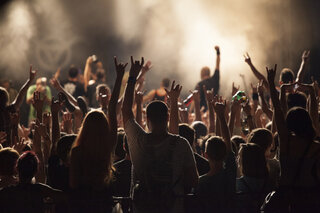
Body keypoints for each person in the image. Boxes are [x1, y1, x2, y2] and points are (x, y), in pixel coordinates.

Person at [122, 56, 198, 213]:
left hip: (142, 208)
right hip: (173, 207)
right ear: (167, 118)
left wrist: (132, 78)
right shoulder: (181, 143)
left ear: (147, 119)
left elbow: (126, 111)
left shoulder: (138, 141)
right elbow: (194, 180)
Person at [69, 57, 125, 212]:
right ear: (103, 127)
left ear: (85, 127)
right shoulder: (107, 146)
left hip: (81, 204)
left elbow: (73, 183)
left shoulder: (77, 151)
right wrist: (120, 77)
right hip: (103, 204)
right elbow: (112, 109)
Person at [263, 65, 320, 212]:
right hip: (310, 197)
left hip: (287, 199)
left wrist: (274, 85)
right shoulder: (315, 146)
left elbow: (278, 109)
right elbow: (313, 116)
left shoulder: (286, 141)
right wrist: (312, 93)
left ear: (290, 123)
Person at [196, 101, 236, 213]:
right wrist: (221, 116)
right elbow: (228, 142)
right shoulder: (230, 173)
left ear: (205, 155)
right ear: (225, 154)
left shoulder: (200, 182)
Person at [0, 151, 64, 213]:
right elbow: (65, 197)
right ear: (36, 171)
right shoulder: (41, 189)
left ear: (17, 168)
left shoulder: (6, 192)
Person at [0, 65, 36, 147]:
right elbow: (20, 96)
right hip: (9, 149)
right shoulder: (8, 111)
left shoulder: (7, 111)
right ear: (6, 99)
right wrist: (29, 81)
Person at [195, 46, 220, 111]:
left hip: (203, 112)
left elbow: (195, 99)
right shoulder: (215, 79)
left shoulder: (199, 84)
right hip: (216, 109)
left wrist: (190, 111)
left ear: (201, 74)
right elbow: (218, 64)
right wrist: (218, 52)